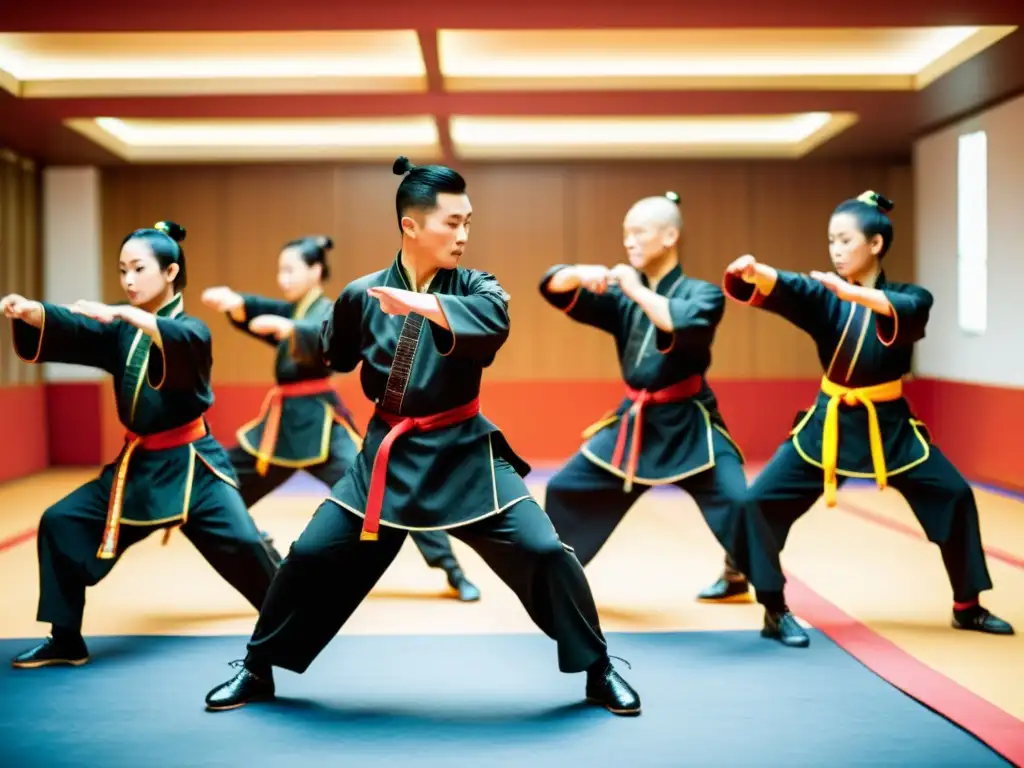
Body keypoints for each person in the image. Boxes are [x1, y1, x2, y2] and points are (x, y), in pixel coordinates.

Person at [203, 156, 641, 716]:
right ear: (411, 226)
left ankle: (598, 669)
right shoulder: (363, 294)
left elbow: (492, 322)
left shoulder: (478, 287)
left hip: (465, 454)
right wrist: (290, 323)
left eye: (468, 222)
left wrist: (419, 303)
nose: (463, 235)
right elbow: (332, 349)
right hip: (387, 456)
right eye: (451, 223)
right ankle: (258, 667)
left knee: (544, 550)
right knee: (310, 555)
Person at [715, 190, 1014, 643]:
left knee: (953, 495)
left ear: (874, 244)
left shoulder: (910, 297)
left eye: (844, 240)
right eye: (831, 241)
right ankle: (774, 609)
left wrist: (853, 294)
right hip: (827, 425)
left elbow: (909, 312)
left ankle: (967, 605)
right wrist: (758, 273)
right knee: (759, 503)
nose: (835, 250)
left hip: (890, 427)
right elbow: (791, 287)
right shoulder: (823, 297)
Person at [2, 220, 280, 669]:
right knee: (60, 521)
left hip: (193, 466)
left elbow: (184, 346)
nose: (128, 280)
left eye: (138, 269)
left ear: (170, 273)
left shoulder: (189, 329)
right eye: (122, 271)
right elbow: (75, 327)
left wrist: (127, 315)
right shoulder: (119, 328)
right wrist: (34, 312)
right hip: (138, 469)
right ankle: (66, 638)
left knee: (247, 546)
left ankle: (291, 628)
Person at [539, 192, 806, 647]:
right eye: (625, 233)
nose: (629, 241)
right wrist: (581, 274)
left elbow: (678, 324)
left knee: (741, 504)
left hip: (691, 425)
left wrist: (634, 289)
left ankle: (776, 608)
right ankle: (552, 590)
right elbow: (553, 288)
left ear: (670, 236)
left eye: (638, 231)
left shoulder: (701, 293)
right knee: (564, 488)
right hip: (634, 426)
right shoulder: (623, 299)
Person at [202, 236, 481, 601]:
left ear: (315, 271)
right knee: (219, 489)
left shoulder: (327, 311)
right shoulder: (297, 310)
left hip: (320, 425)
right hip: (279, 429)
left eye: (290, 270)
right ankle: (263, 553)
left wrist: (291, 331)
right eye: (280, 270)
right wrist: (238, 304)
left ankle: (451, 568)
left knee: (389, 489)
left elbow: (323, 338)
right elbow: (265, 311)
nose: (282, 278)